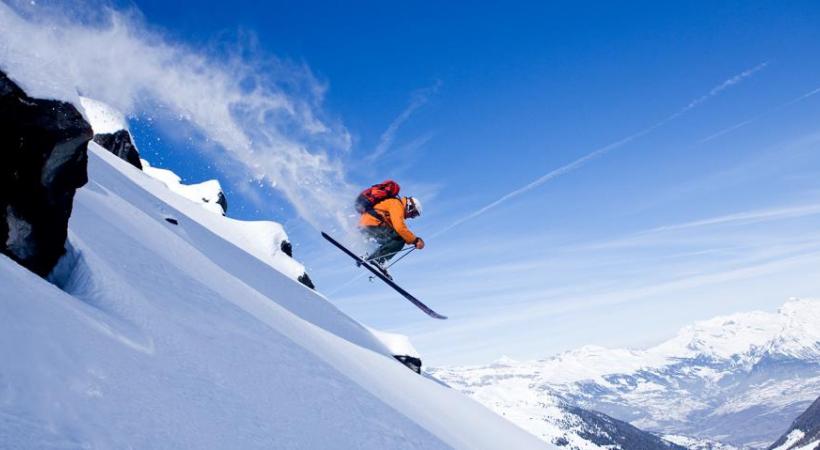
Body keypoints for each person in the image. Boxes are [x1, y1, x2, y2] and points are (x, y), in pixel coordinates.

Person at [359, 195, 425, 274]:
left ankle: (369, 256)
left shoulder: (396, 206)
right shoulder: (397, 204)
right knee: (400, 239)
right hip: (372, 225)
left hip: (368, 225)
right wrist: (415, 240)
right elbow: (400, 228)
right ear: (409, 206)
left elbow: (395, 229)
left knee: (392, 239)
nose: (411, 217)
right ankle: (377, 259)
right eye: (413, 214)